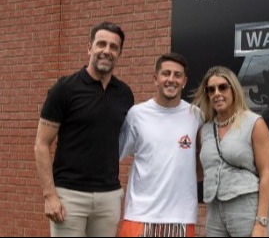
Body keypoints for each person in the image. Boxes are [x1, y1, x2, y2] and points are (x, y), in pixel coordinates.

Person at [34, 21, 134, 237]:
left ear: (119, 53)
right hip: (70, 196)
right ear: (89, 48)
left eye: (113, 47)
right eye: (101, 44)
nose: (107, 51)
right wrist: (50, 195)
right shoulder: (65, 88)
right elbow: (41, 144)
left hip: (109, 196)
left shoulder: (125, 94)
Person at [118, 53, 203, 237]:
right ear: (155, 78)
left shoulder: (196, 116)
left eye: (177, 75)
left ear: (184, 81)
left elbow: (202, 161)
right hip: (140, 215)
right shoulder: (137, 114)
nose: (171, 79)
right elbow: (115, 155)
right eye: (166, 73)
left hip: (181, 217)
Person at [192, 66, 269, 237]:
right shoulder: (205, 130)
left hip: (246, 206)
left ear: (233, 89)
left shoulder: (254, 123)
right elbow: (201, 172)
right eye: (211, 89)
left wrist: (261, 222)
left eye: (223, 87)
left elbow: (267, 174)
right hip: (214, 210)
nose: (217, 93)